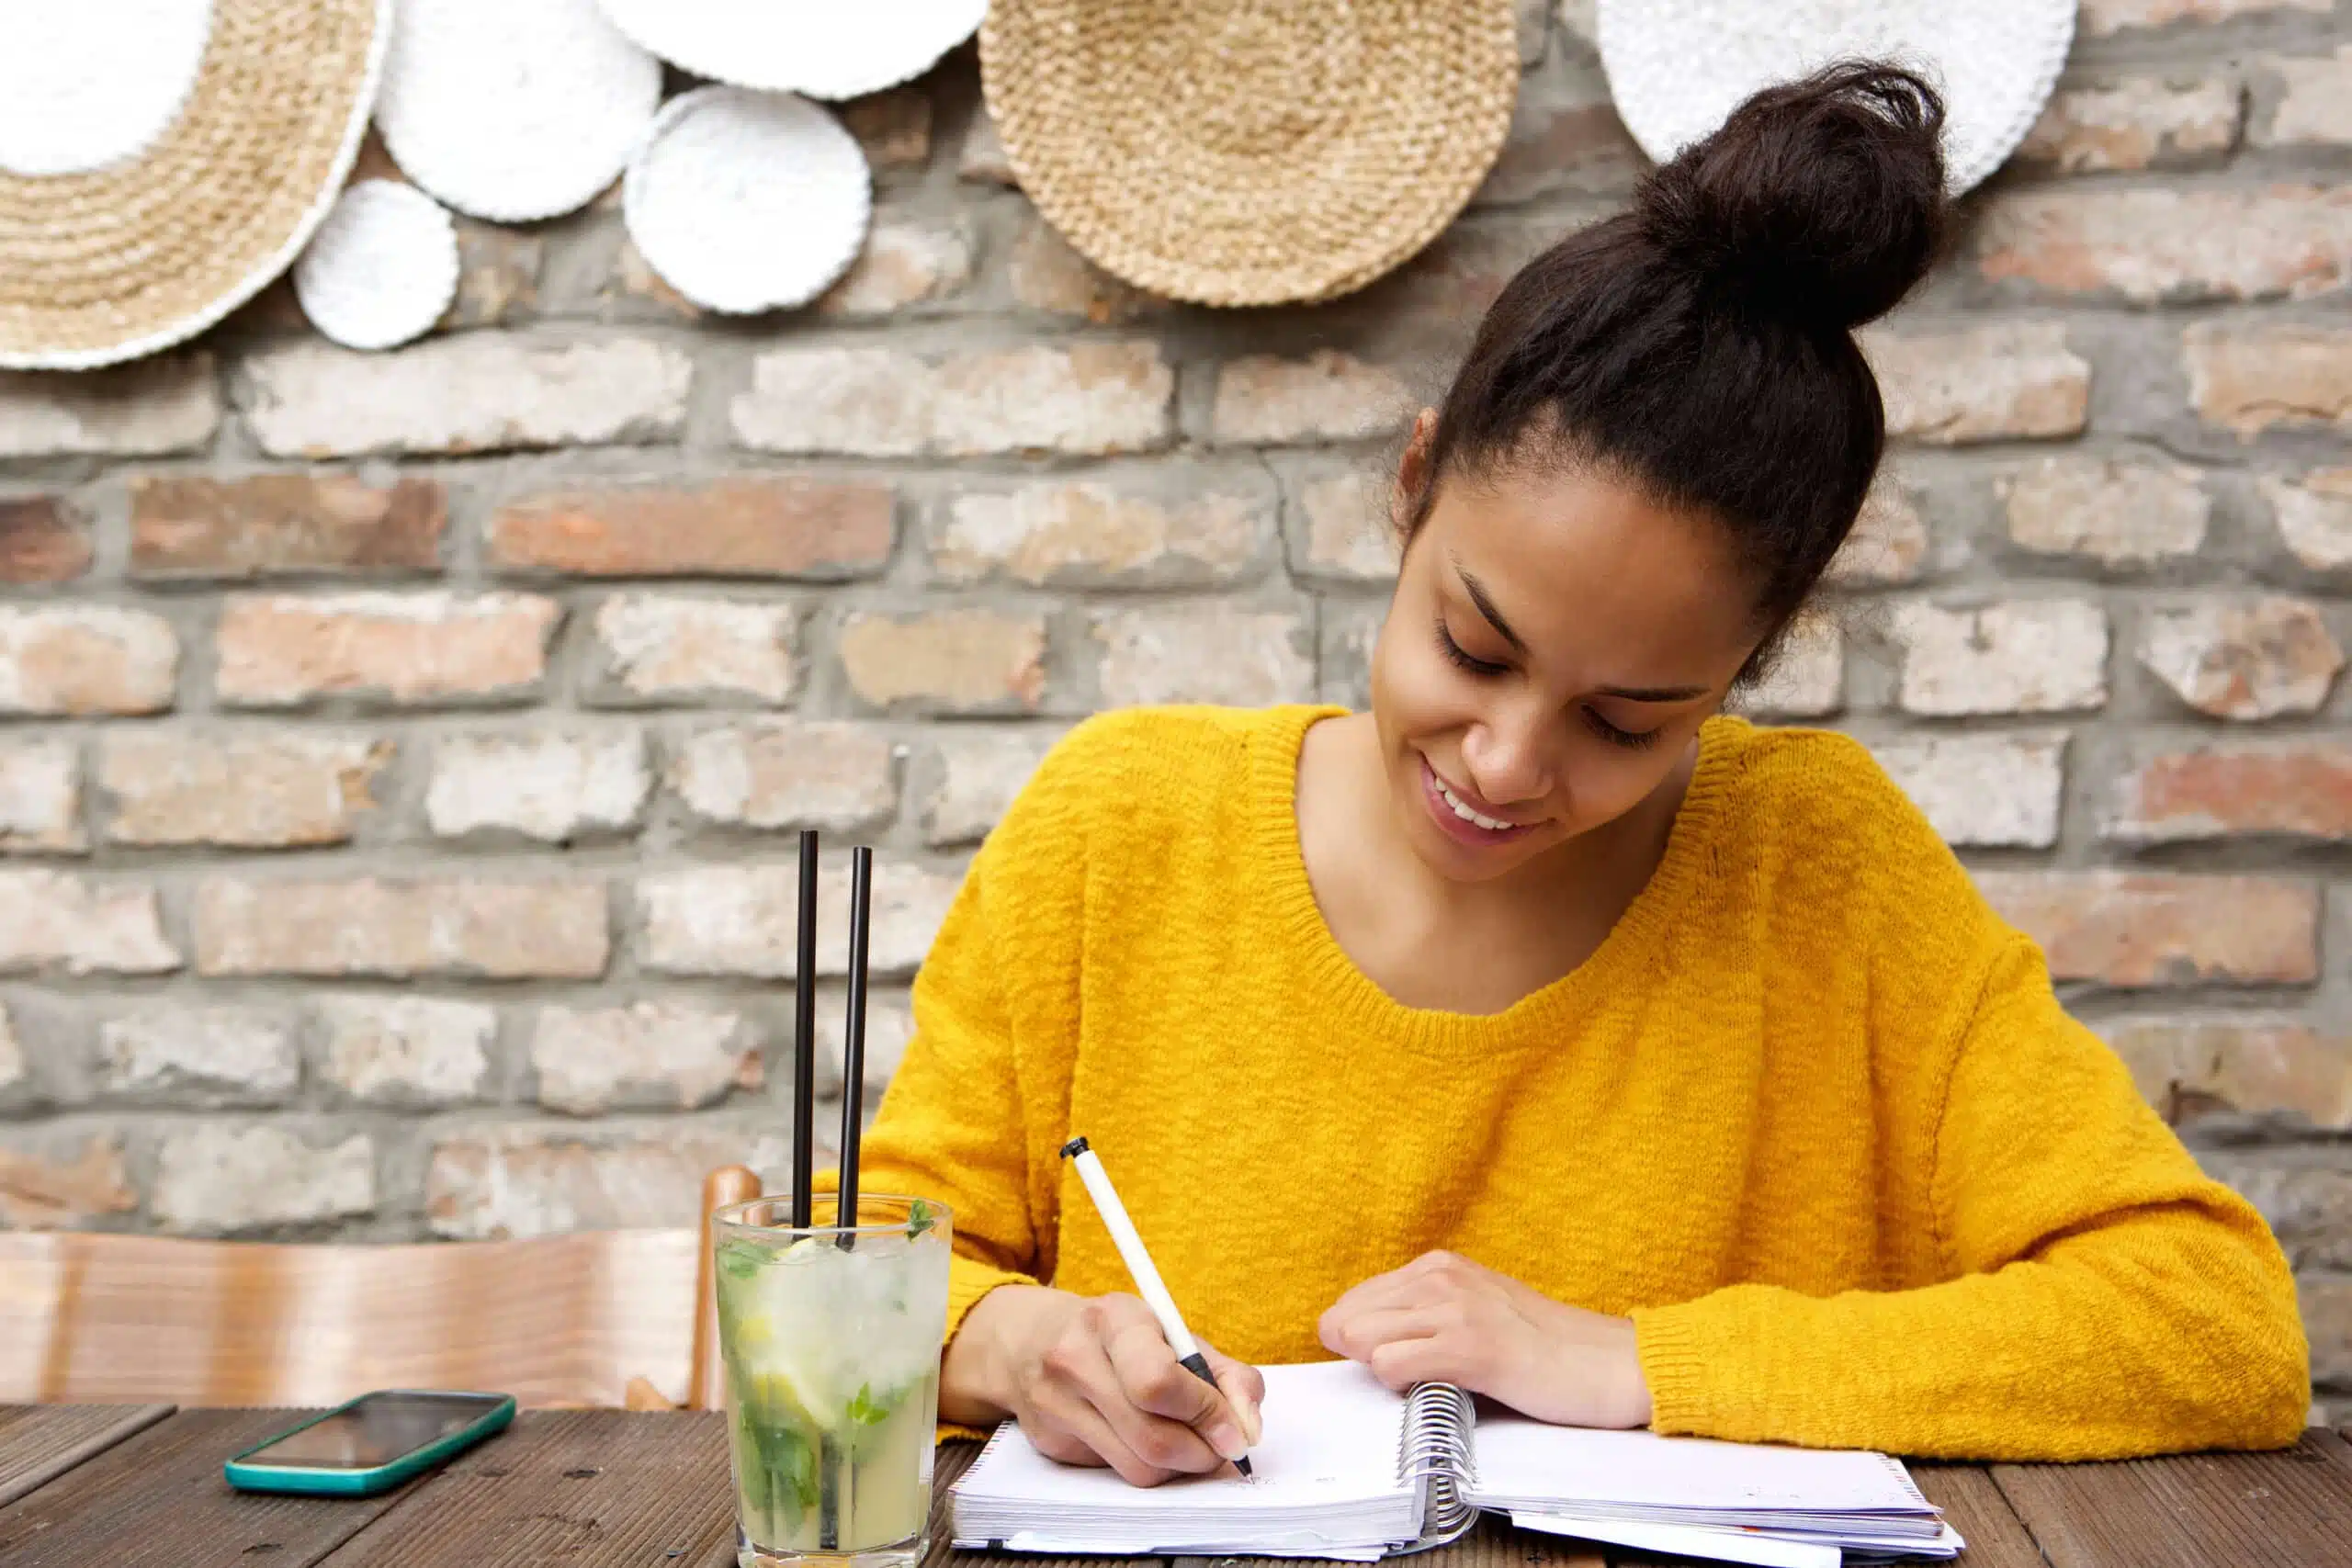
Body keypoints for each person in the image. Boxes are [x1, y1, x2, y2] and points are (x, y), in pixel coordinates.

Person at [845, 62, 2312, 1484]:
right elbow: (862, 1279)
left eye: (1627, 722)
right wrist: (1017, 1341)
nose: (1506, 764)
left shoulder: (1819, 865)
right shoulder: (1120, 828)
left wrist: (1639, 1363)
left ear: (1740, 672)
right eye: (1474, 650)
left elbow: (2209, 1320)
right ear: (1416, 485)